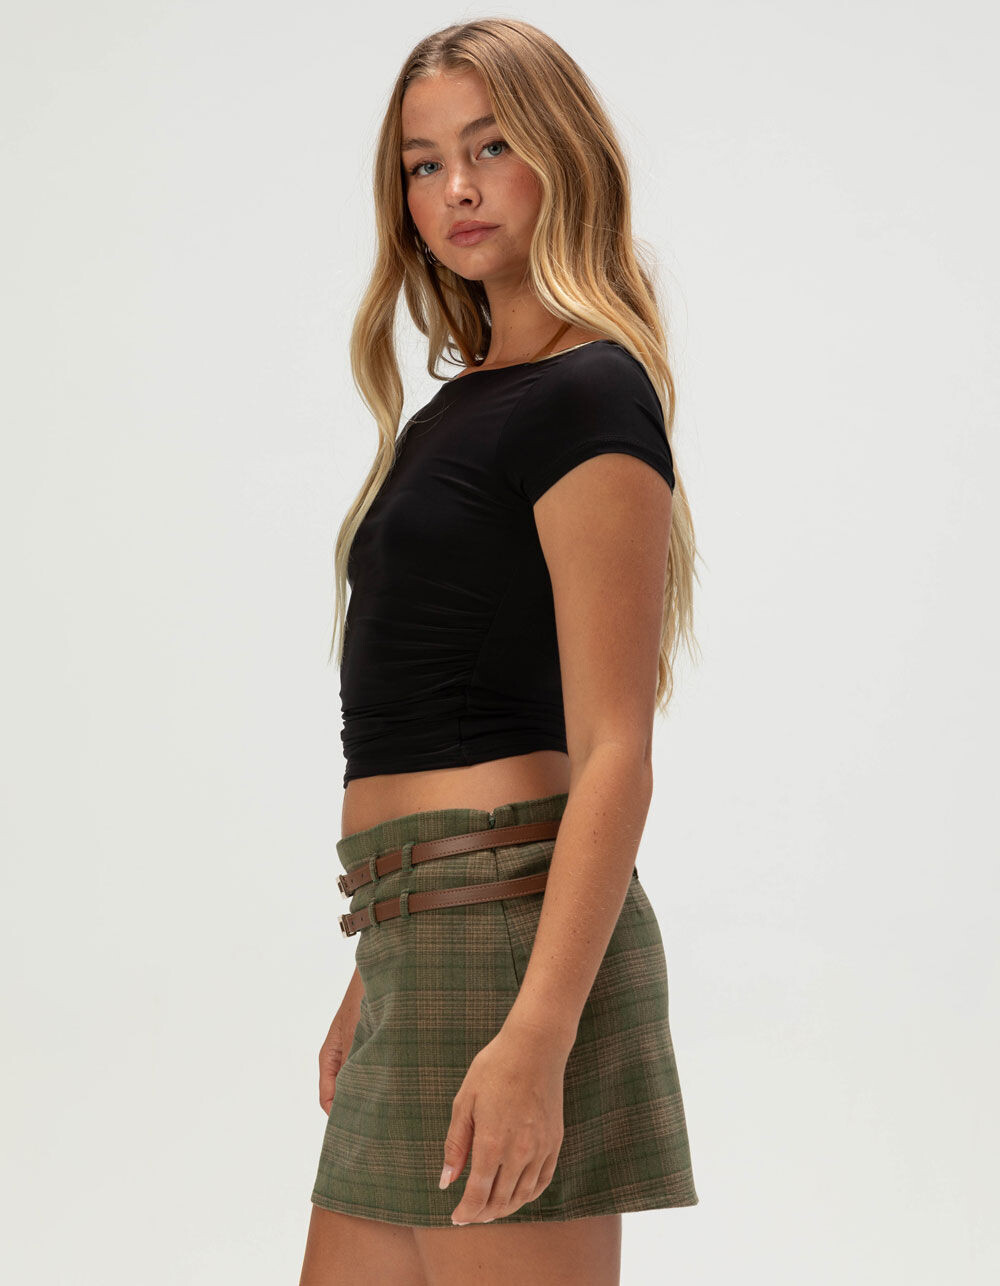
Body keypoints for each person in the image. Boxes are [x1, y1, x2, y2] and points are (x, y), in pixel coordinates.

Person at [299, 18, 701, 1286]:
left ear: (561, 155)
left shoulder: (588, 393)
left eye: (489, 147)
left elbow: (616, 749)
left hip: (509, 945)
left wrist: (539, 1030)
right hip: (420, 936)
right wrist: (379, 965)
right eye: (423, 164)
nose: (456, 188)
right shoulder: (460, 406)